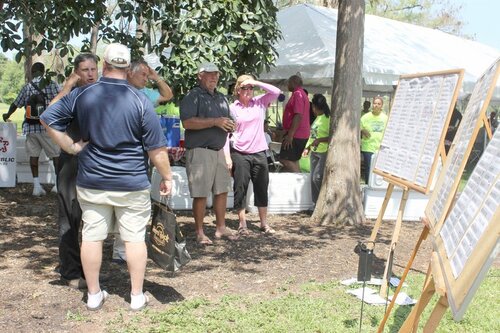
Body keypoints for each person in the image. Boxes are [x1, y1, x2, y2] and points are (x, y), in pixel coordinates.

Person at [40, 43, 173, 311]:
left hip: (93, 181)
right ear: (128, 67)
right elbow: (156, 148)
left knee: (92, 236)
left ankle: (93, 294)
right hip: (131, 181)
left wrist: (71, 146)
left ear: (104, 64)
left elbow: (47, 117)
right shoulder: (140, 100)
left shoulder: (84, 94)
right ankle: (136, 296)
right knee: (134, 238)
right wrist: (167, 176)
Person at [111, 59, 175, 264]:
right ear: (129, 72)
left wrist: (156, 77)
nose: (146, 79)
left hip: (141, 155)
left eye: (148, 76)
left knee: (136, 201)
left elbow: (167, 95)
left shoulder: (146, 94)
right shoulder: (118, 92)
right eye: (143, 75)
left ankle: (125, 247)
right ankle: (118, 246)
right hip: (120, 154)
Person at [49, 53, 98, 289]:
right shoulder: (72, 96)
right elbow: (48, 115)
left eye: (93, 69)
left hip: (96, 163)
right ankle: (69, 272)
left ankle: (89, 270)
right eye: (85, 70)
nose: (90, 74)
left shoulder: (100, 93)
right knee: (69, 217)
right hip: (71, 161)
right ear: (76, 73)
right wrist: (67, 87)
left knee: (92, 217)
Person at [179, 62, 237, 245]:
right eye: (209, 74)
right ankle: (200, 232)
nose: (214, 77)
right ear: (200, 76)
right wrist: (215, 122)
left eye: (216, 74)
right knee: (201, 193)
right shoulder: (192, 96)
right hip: (200, 151)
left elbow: (226, 120)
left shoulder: (220, 97)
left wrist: (230, 125)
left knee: (221, 190)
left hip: (219, 150)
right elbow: (187, 123)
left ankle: (220, 227)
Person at [229, 74, 280, 235]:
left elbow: (276, 92)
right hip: (240, 153)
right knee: (240, 187)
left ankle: (263, 223)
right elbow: (226, 133)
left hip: (259, 152)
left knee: (261, 187)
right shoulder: (232, 108)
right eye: (244, 87)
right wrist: (227, 156)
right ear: (238, 90)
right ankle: (242, 223)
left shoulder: (259, 102)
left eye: (250, 87)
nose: (248, 90)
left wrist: (256, 82)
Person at [2, 62, 61, 196]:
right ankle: (57, 185)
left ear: (32, 72)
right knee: (56, 156)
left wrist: (7, 115)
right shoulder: (51, 84)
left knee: (33, 157)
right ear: (43, 71)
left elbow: (16, 103)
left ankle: (36, 186)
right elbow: (62, 100)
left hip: (30, 128)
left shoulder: (27, 87)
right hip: (47, 127)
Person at [302, 94, 331, 206]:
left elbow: (332, 136)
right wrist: (307, 147)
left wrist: (320, 140)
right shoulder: (317, 119)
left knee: (317, 178)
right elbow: (312, 136)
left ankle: (323, 202)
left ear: (315, 107)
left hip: (323, 151)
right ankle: (316, 204)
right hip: (314, 151)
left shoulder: (328, 119)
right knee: (312, 178)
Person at [279, 75, 310, 172]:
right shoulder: (301, 94)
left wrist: (290, 135)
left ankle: (299, 177)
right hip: (299, 133)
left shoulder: (298, 94)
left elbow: (298, 115)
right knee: (293, 160)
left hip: (297, 134)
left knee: (285, 160)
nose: (287, 85)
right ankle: (297, 179)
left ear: (293, 83)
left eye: (288, 83)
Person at [360, 96, 388, 184]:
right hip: (368, 147)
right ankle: (368, 185)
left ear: (382, 106)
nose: (376, 105)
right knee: (369, 168)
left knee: (379, 170)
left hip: (381, 148)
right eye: (375, 103)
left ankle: (377, 186)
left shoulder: (385, 118)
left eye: (378, 104)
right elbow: (357, 126)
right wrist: (362, 130)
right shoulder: (365, 117)